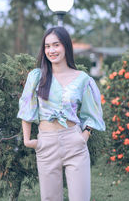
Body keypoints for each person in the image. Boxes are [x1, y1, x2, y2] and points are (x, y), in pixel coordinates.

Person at [17, 26, 105, 201]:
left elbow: (92, 113)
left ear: (66, 46)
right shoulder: (37, 77)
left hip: (75, 142)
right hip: (46, 143)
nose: (51, 50)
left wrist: (84, 136)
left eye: (56, 45)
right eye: (47, 46)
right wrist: (28, 141)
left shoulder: (83, 79)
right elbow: (27, 108)